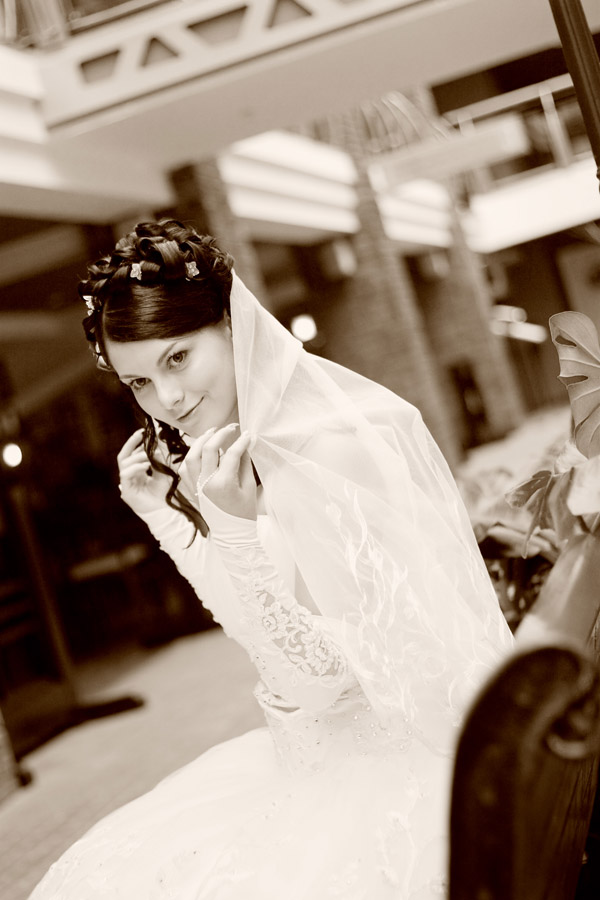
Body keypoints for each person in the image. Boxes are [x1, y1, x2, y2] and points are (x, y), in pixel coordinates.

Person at [30, 219, 514, 899]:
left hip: (393, 767)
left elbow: (320, 682)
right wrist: (169, 521)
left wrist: (232, 530)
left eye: (178, 358)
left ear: (230, 326)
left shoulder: (327, 451)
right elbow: (260, 627)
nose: (167, 400)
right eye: (139, 381)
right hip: (317, 756)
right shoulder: (250, 451)